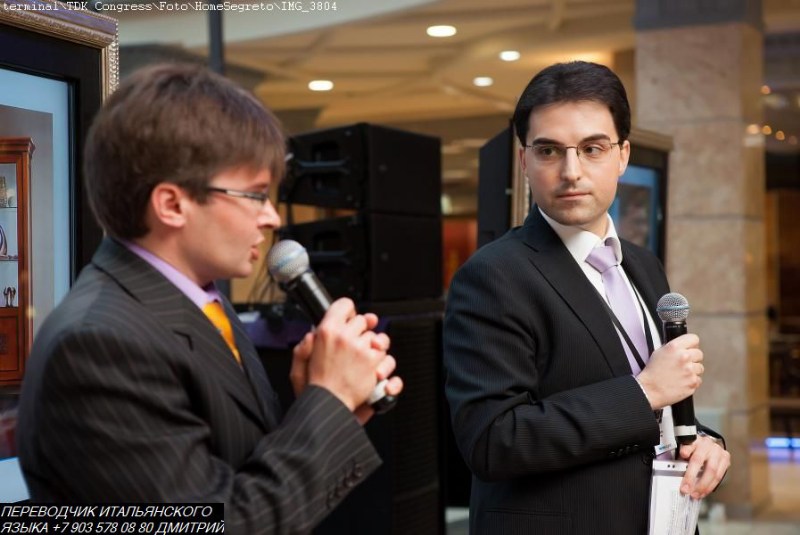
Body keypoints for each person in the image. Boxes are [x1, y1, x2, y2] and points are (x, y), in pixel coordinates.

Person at [17, 63, 403, 533]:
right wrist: (331, 397)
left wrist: (321, 407)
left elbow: (234, 471)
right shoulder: (98, 343)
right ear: (172, 204)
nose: (272, 217)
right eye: (255, 195)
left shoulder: (203, 302)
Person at [443, 61, 730, 534]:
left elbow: (657, 407)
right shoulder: (493, 275)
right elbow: (493, 441)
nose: (571, 171)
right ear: (524, 161)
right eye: (549, 150)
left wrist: (705, 443)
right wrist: (645, 392)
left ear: (622, 155)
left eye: (592, 148)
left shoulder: (642, 264)